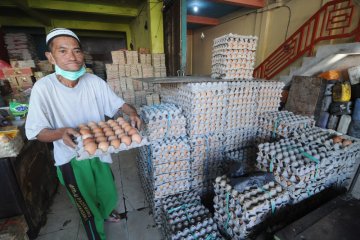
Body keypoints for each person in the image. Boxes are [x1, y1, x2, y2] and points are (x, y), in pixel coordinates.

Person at [25, 28, 142, 240]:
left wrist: (132, 112)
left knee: (107, 191)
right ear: (50, 57)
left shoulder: (94, 82)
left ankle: (106, 212)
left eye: (77, 50)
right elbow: (36, 132)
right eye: (63, 51)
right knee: (85, 203)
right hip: (71, 158)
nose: (72, 56)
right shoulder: (43, 89)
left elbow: (119, 105)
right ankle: (95, 234)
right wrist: (60, 133)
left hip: (98, 152)